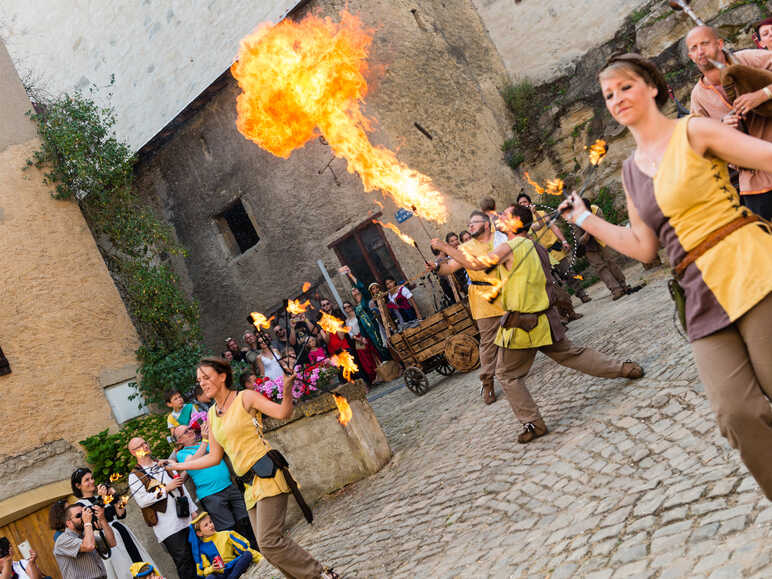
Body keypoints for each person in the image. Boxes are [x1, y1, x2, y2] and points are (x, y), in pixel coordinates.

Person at [558, 53, 772, 497]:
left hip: (749, 267)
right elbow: (643, 247)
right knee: (735, 413)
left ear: (652, 87)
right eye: (609, 94)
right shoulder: (630, 170)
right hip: (698, 294)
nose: (617, 99)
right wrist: (584, 220)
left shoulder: (693, 130)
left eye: (625, 87)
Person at [433, 205, 644, 442]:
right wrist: (445, 263)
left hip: (523, 325)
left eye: (505, 215)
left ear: (516, 224)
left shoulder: (510, 247)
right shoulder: (535, 247)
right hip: (545, 319)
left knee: (507, 375)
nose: (499, 217)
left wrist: (444, 247)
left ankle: (533, 422)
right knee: (573, 354)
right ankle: (623, 368)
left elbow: (477, 264)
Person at [163, 358, 338, 579]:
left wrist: (285, 388)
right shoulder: (212, 415)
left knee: (269, 541)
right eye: (199, 380)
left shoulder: (245, 397)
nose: (202, 383)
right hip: (249, 485)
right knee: (266, 547)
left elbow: (283, 412)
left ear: (223, 376)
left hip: (267, 474)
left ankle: (320, 574)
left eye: (206, 378)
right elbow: (214, 457)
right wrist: (178, 464)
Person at [687, 25, 772, 219]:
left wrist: (762, 95)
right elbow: (699, 147)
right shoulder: (698, 97)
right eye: (693, 48)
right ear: (690, 56)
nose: (700, 51)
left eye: (704, 44)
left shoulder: (748, 60)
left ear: (719, 44)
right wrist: (720, 129)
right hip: (754, 184)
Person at [430, 210, 506, 404]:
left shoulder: (499, 239)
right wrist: (437, 267)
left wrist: (446, 247)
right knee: (488, 342)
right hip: (482, 299)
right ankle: (488, 382)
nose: (470, 226)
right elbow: (450, 268)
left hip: (505, 292)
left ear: (486, 224)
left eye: (475, 222)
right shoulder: (466, 247)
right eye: (469, 223)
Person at [174, 424, 258, 550]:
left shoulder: (207, 443)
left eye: (190, 428)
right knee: (228, 526)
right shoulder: (181, 454)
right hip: (210, 494)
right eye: (186, 432)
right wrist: (204, 440)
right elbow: (192, 463)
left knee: (245, 517)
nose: (190, 431)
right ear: (180, 440)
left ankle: (257, 548)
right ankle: (243, 553)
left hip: (229, 486)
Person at [128, 437, 197, 578]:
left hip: (186, 518)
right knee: (184, 562)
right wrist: (166, 489)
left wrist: (193, 510)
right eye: (139, 446)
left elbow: (180, 485)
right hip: (168, 526)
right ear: (133, 453)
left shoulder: (162, 464)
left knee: (198, 556)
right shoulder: (135, 476)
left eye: (145, 442)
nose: (145, 446)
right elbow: (143, 501)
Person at [71, 467, 156, 579]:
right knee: (124, 568)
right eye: (87, 480)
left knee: (139, 563)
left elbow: (121, 513)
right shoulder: (80, 506)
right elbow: (97, 524)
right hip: (109, 540)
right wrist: (102, 498)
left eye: (92, 478)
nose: (92, 481)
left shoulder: (102, 497)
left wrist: (114, 497)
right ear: (78, 485)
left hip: (122, 533)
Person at [517, 192, 590, 304]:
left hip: (554, 248)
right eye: (520, 203)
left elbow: (554, 227)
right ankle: (567, 305)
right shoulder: (521, 222)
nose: (523, 204)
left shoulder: (541, 213)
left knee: (569, 272)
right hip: (542, 255)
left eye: (525, 202)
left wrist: (564, 241)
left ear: (530, 203)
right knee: (554, 281)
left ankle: (582, 294)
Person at [575, 197, 631, 300]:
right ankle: (616, 290)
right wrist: (585, 235)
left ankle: (623, 285)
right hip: (588, 246)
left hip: (602, 238)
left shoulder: (596, 210)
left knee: (611, 262)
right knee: (600, 267)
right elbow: (579, 239)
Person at [188, 512, 261, 579]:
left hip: (233, 565)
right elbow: (204, 571)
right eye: (206, 525)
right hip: (219, 573)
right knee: (210, 577)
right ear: (199, 533)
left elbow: (244, 548)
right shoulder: (201, 548)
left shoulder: (226, 534)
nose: (210, 525)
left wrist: (261, 559)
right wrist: (212, 568)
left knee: (247, 554)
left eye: (210, 522)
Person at [54, 503, 117, 579]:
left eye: (84, 513)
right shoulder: (62, 540)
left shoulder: (86, 535)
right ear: (69, 523)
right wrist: (87, 522)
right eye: (79, 515)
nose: (84, 517)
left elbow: (111, 543)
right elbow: (89, 546)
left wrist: (102, 519)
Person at [341, 267, 390, 360]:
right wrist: (363, 336)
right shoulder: (355, 308)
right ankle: (389, 365)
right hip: (368, 331)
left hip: (374, 325)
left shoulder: (366, 299)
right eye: (352, 290)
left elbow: (362, 287)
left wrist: (350, 274)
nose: (354, 290)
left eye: (355, 289)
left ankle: (395, 362)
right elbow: (359, 322)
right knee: (377, 348)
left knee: (383, 343)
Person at [343, 300, 380, 383]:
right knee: (365, 358)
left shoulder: (358, 314)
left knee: (373, 353)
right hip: (357, 339)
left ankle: (381, 372)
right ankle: (374, 376)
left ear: (351, 306)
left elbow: (364, 324)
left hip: (364, 335)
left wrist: (363, 336)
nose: (347, 308)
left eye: (348, 306)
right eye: (345, 307)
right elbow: (350, 333)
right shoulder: (347, 321)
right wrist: (357, 338)